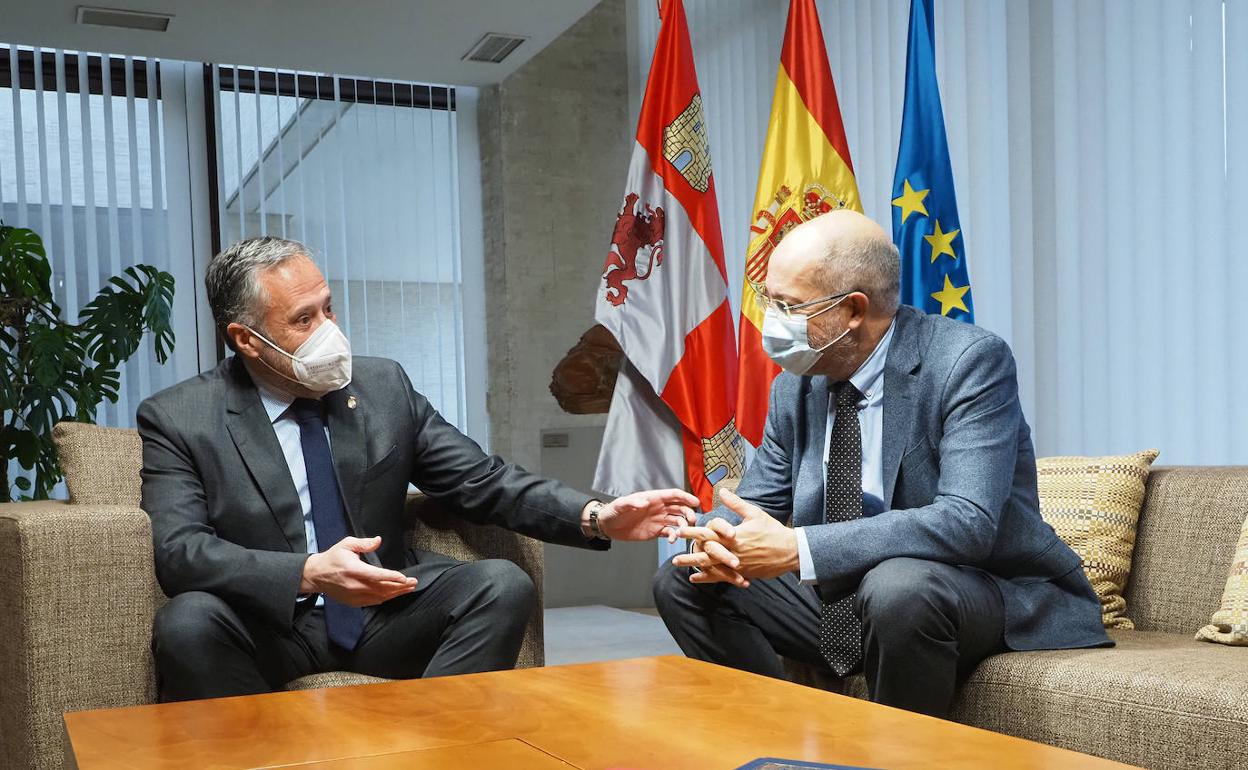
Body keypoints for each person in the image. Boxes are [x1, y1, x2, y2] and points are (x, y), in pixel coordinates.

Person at [139, 236, 700, 702]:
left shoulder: (383, 385)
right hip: (270, 624)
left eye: (328, 308)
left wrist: (597, 515)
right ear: (246, 340)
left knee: (501, 585)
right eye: (303, 319)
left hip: (386, 608)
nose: (329, 330)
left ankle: (433, 751)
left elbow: (480, 479)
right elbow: (180, 550)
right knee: (187, 623)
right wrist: (307, 573)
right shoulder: (180, 417)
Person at [653, 210, 1109, 718]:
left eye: (789, 305)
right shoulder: (795, 387)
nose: (770, 319)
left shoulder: (968, 362)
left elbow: (967, 523)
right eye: (768, 299)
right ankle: (778, 744)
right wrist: (717, 537)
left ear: (852, 310)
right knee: (687, 579)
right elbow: (756, 501)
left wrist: (798, 547)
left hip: (979, 586)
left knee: (898, 587)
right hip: (851, 591)